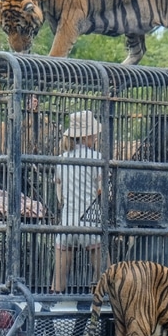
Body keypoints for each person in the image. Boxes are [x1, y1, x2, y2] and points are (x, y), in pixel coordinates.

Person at [51, 110, 103, 293]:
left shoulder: (61, 160)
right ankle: (96, 310)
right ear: (87, 135)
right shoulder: (96, 158)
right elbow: (102, 190)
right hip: (90, 221)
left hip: (66, 222)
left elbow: (60, 196)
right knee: (104, 276)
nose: (96, 136)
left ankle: (54, 312)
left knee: (58, 281)